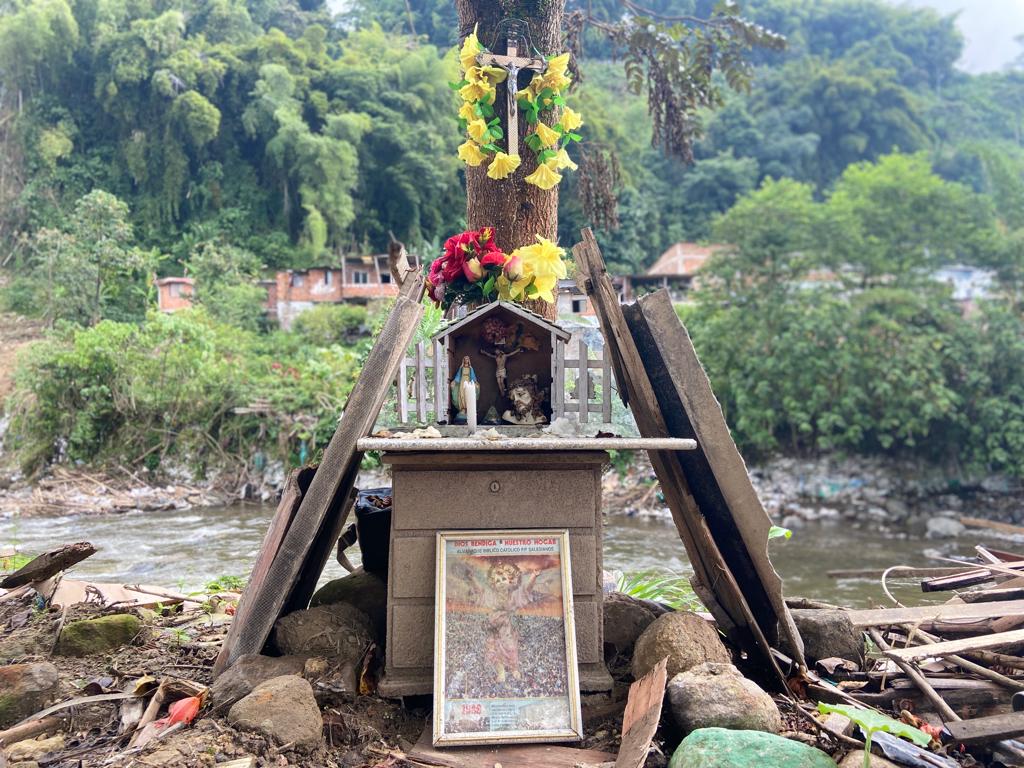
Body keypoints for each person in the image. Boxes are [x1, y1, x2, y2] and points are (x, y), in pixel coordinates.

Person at [449, 355, 479, 423]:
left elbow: (473, 376)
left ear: (469, 360)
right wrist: (454, 381)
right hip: (462, 382)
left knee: (467, 395)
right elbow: (458, 376)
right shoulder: (461, 368)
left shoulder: (470, 368)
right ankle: (462, 409)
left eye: (467, 359)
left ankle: (467, 409)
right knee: (461, 395)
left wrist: (475, 382)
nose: (466, 360)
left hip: (468, 382)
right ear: (463, 360)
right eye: (465, 359)